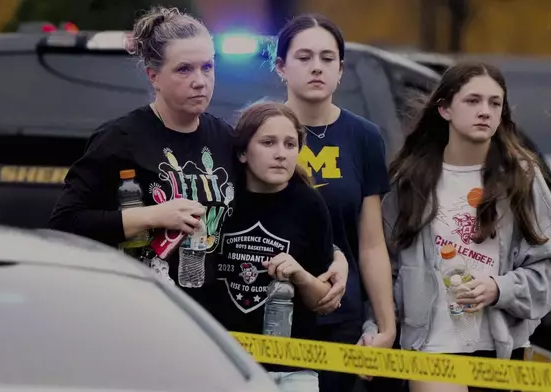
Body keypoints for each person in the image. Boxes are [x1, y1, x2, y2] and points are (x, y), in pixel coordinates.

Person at [48, 6, 348, 315]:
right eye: (184, 70)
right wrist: (154, 216)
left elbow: (280, 203)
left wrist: (334, 256)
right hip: (134, 311)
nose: (200, 81)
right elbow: (64, 223)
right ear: (154, 76)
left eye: (207, 67)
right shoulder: (120, 138)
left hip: (204, 322)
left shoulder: (224, 139)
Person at [363, 61, 551, 392]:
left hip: (498, 347)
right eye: (473, 101)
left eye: (495, 103)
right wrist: (374, 325)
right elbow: (383, 267)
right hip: (429, 344)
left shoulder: (520, 177)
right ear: (444, 108)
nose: (485, 112)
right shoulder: (410, 180)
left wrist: (499, 288)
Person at [273, 14, 397, 392]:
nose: (316, 67)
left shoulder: (364, 136)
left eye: (328, 59)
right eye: (304, 57)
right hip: (265, 309)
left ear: (341, 70)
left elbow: (372, 243)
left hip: (339, 315)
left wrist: (386, 326)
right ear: (281, 67)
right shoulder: (258, 131)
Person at [210, 101, 335, 391]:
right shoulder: (221, 198)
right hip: (228, 366)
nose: (281, 153)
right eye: (268, 142)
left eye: (290, 144)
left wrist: (300, 275)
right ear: (242, 152)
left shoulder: (310, 205)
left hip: (293, 371)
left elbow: (323, 302)